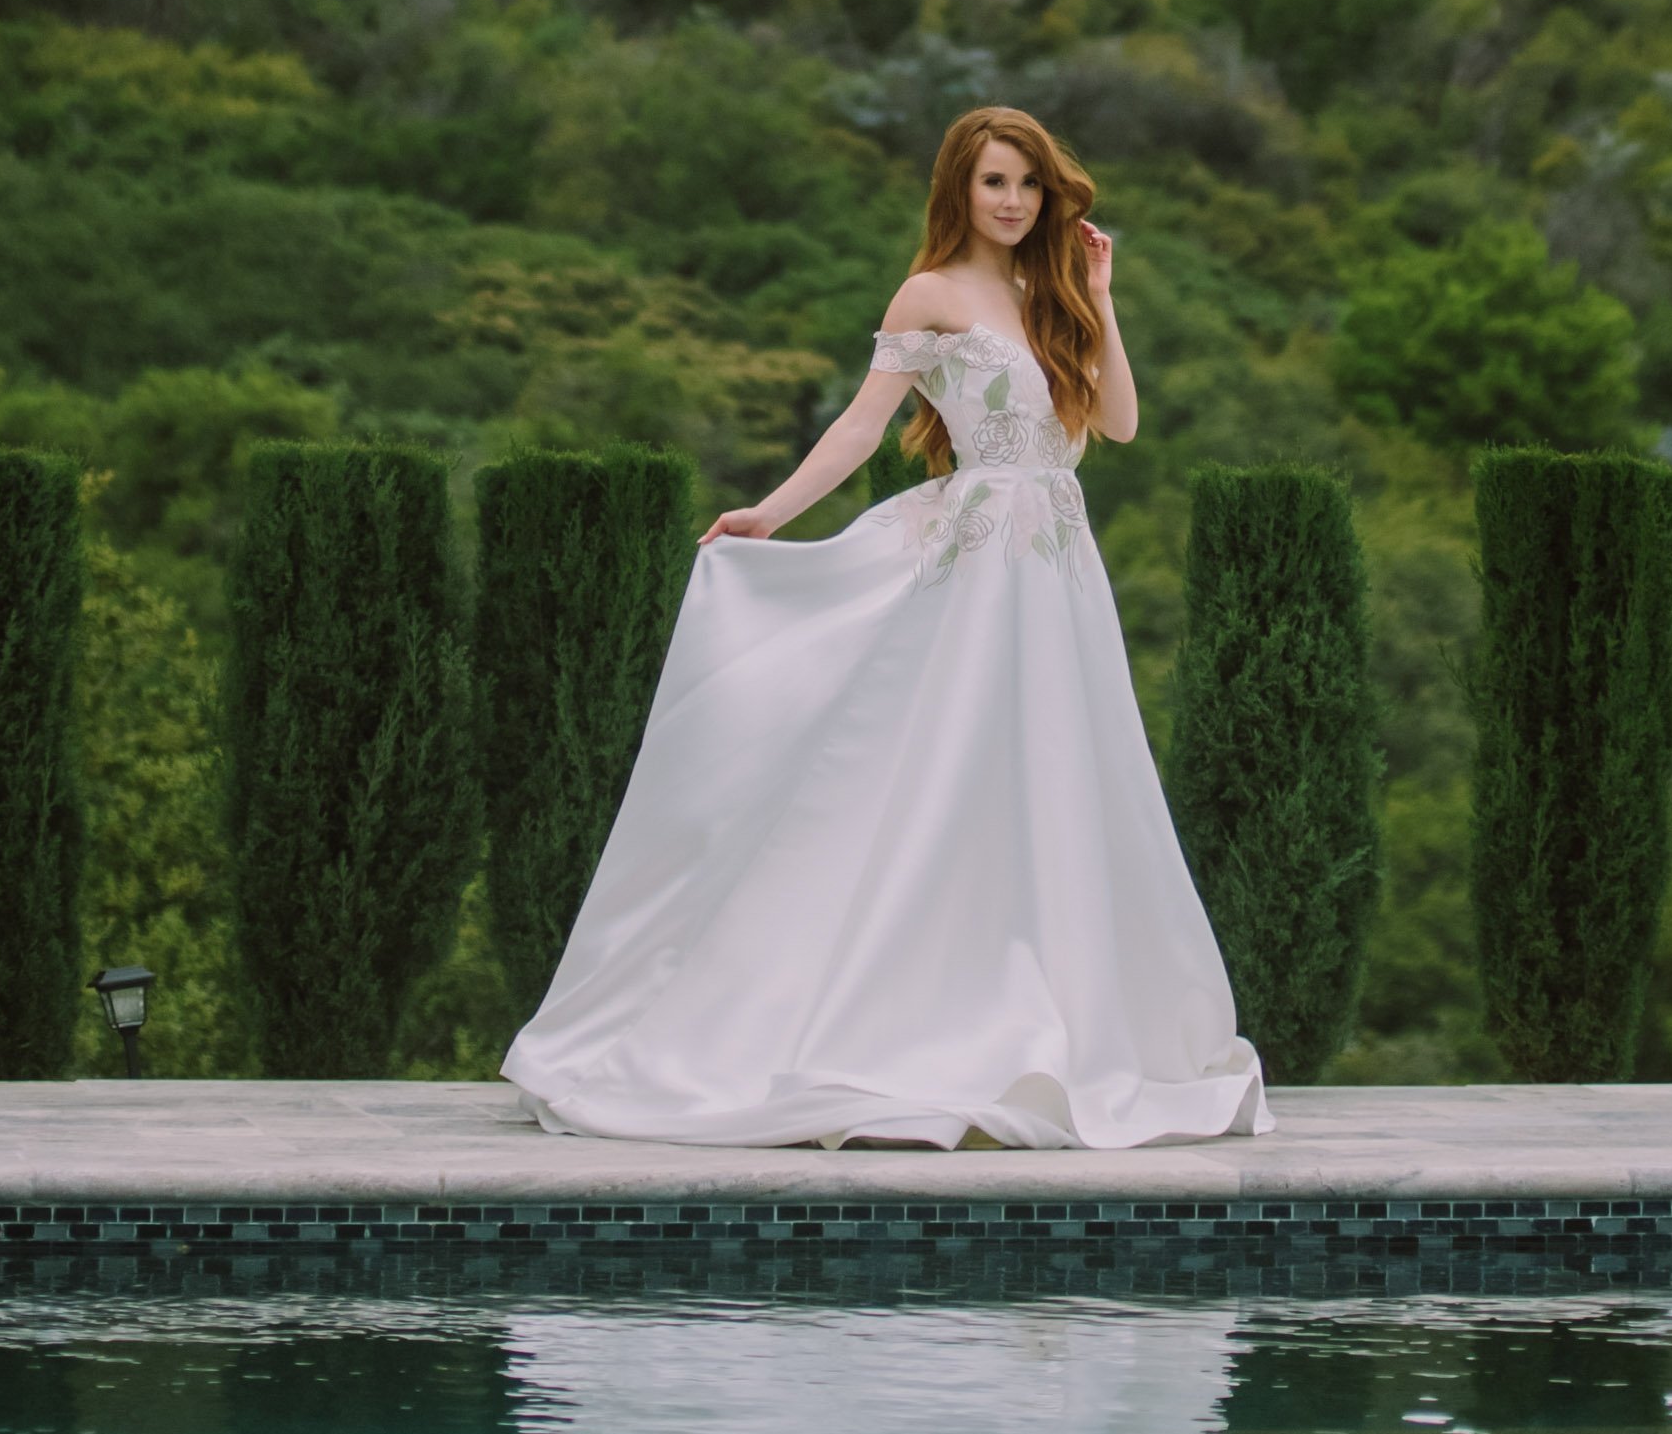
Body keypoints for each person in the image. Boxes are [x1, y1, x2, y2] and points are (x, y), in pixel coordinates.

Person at [502, 103, 1269, 1148]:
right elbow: (864, 424)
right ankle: (893, 1017)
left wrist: (1098, 297)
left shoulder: (1050, 292)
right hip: (984, 561)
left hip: (1056, 571)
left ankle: (1051, 1016)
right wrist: (770, 511)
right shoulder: (934, 293)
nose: (1012, 201)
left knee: (1056, 781)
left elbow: (1120, 423)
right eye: (994, 182)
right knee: (944, 778)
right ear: (959, 188)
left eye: (1027, 184)